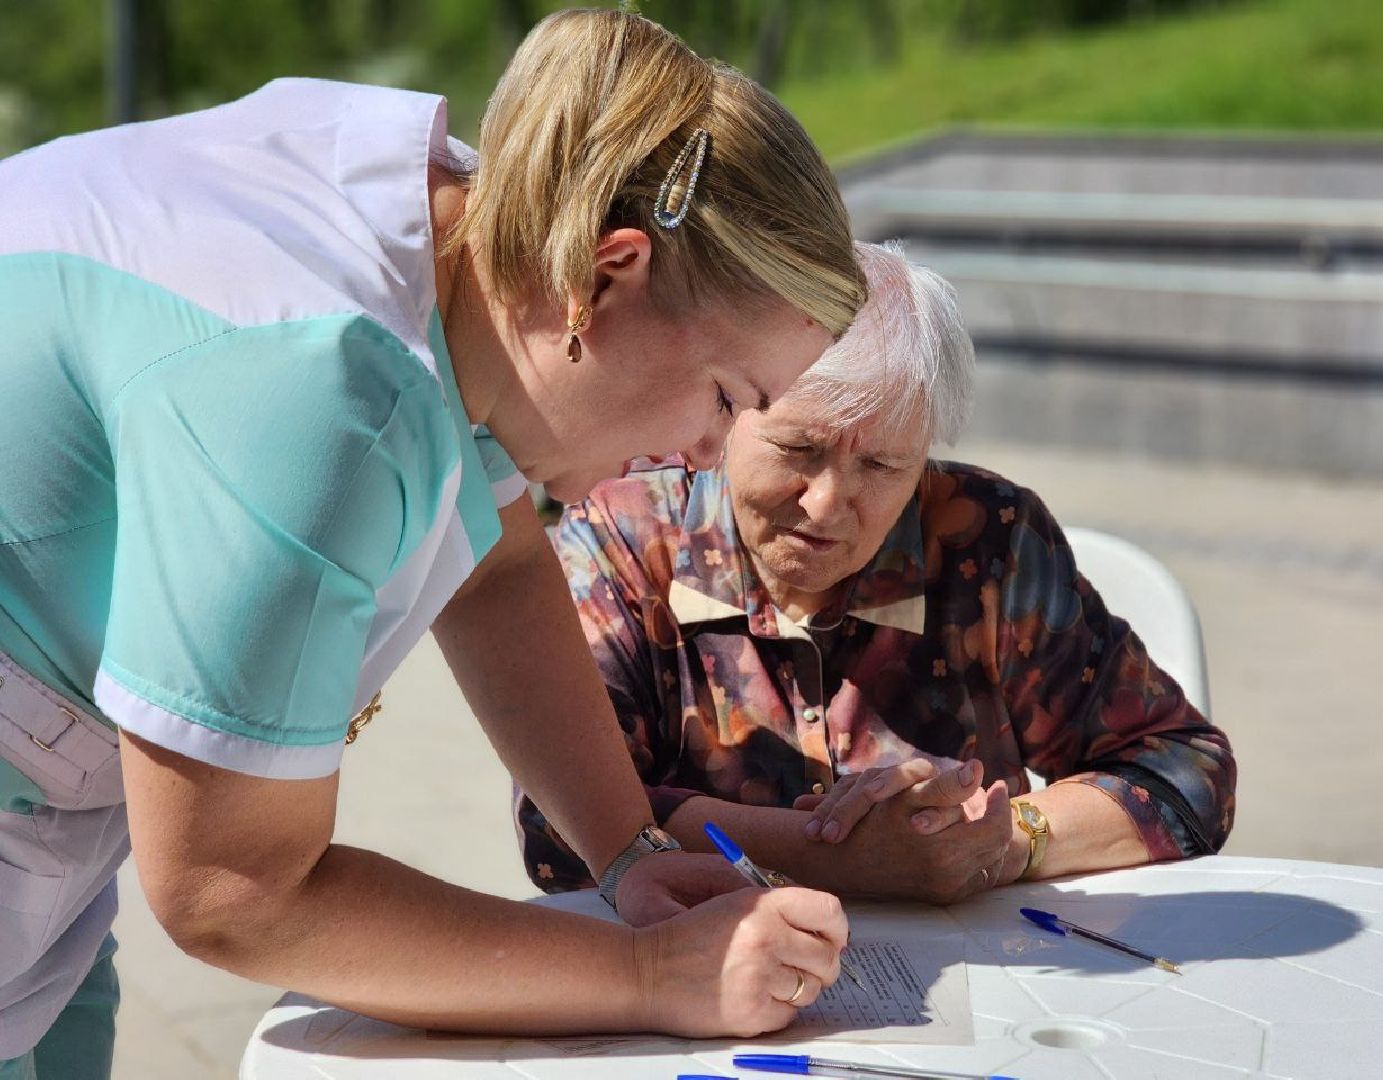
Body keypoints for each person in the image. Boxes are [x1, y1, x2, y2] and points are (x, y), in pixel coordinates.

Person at [0, 10, 868, 1076]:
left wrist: (631, 852)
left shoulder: (476, 234)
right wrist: (649, 980)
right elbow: (234, 892)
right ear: (609, 272)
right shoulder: (321, 393)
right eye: (728, 397)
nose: (707, 458)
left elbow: (497, 568)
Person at [518, 241, 1236, 903]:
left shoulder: (989, 542)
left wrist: (1007, 840)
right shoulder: (626, 534)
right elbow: (559, 828)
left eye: (883, 466)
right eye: (798, 450)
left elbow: (1186, 772)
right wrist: (822, 855)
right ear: (726, 410)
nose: (828, 504)